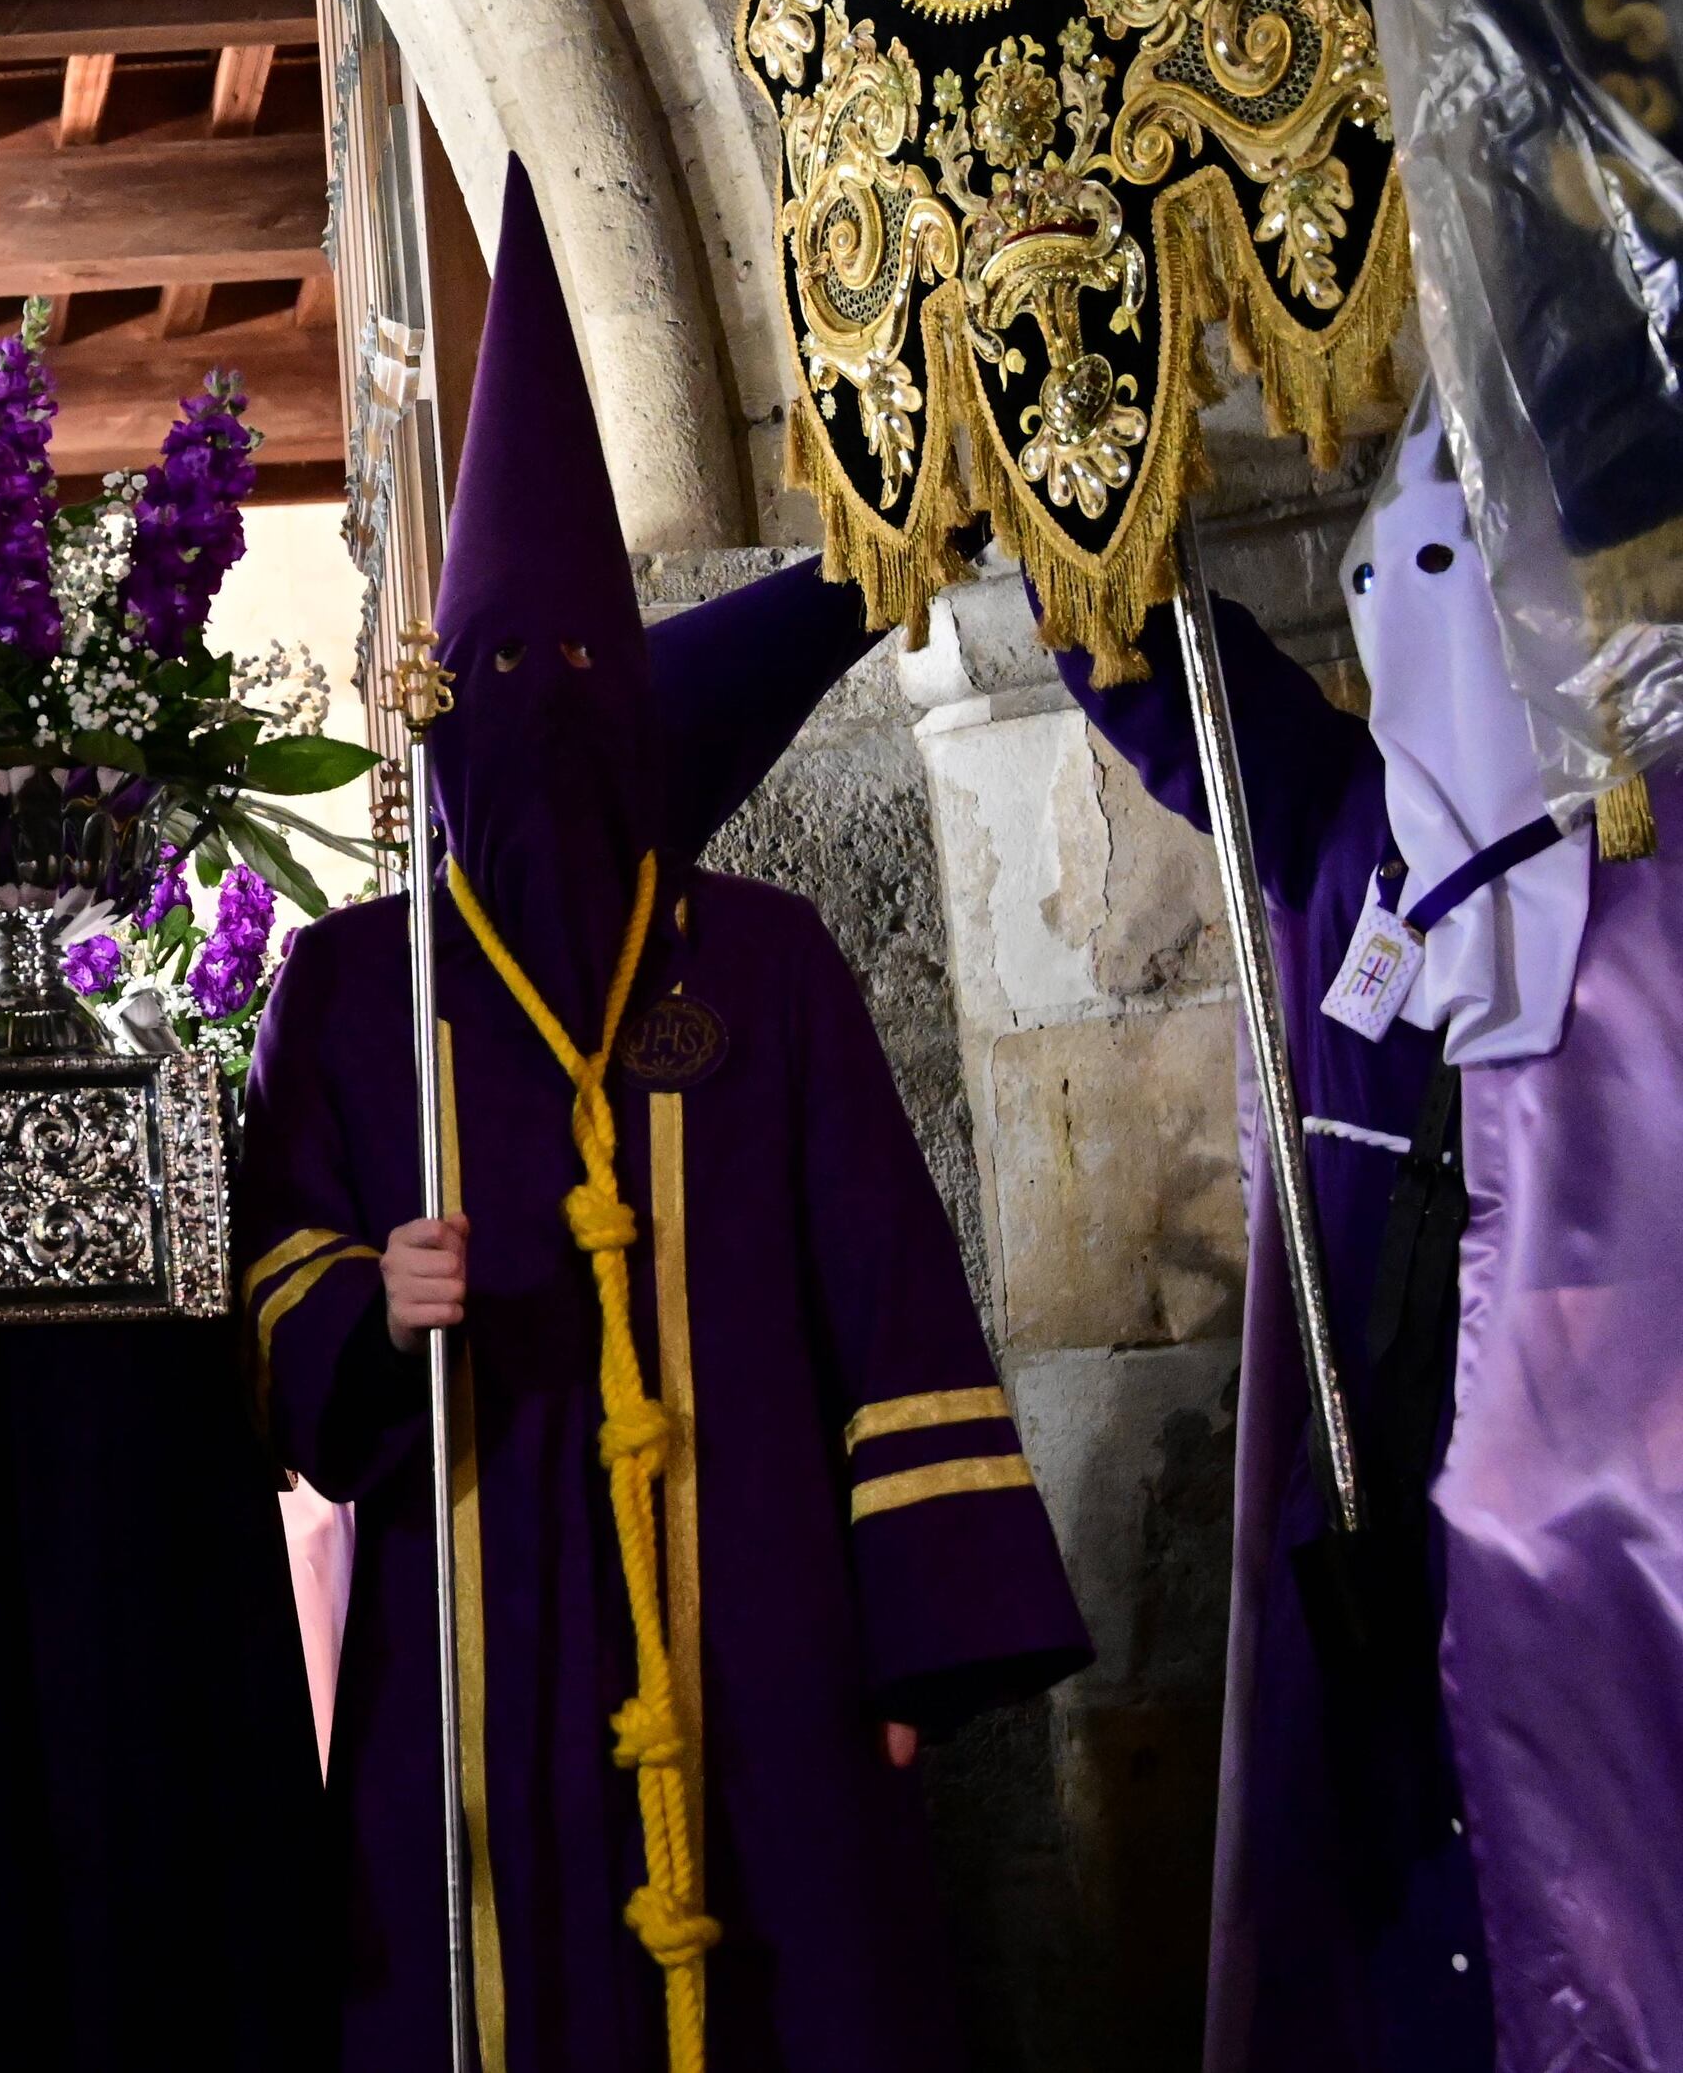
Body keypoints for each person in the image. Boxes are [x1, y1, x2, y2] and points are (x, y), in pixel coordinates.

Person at [240, 168, 1091, 2073]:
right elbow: (267, 1285)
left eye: (579, 698)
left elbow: (886, 1290)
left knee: (797, 1969)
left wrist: (916, 1648)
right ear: (438, 734)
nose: (546, 747)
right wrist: (373, 1300)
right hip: (483, 1615)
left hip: (767, 1607)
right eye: (503, 706)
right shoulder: (350, 990)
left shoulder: (763, 965)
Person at [1055, 413, 1683, 2073]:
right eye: (1388, 573)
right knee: (1398, 1874)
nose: (1426, 621)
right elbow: (1151, 670)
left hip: (1607, 1493)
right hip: (1373, 1442)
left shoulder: (1650, 840)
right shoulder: (1349, 818)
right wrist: (1071, 469)